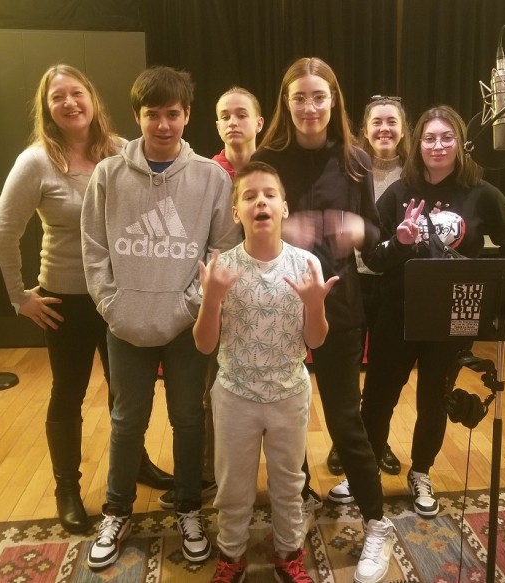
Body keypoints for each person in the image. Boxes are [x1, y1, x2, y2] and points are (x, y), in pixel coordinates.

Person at [0, 64, 172, 536]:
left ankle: (134, 462)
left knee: (126, 392)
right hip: (65, 299)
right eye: (58, 97)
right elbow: (1, 230)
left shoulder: (121, 150)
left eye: (76, 93)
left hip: (119, 295)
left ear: (92, 98)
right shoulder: (36, 162)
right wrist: (18, 297)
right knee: (67, 394)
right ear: (47, 109)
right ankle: (66, 489)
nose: (69, 102)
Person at [81, 66, 241, 569]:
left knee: (189, 418)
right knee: (126, 421)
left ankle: (189, 508)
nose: (164, 124)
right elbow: (93, 247)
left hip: (186, 324)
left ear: (187, 115)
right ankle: (117, 511)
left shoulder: (211, 178)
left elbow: (222, 249)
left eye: (173, 114)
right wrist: (112, 304)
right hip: (125, 322)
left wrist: (190, 305)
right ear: (138, 116)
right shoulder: (108, 175)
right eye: (153, 114)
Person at [252, 57, 394, 583]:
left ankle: (377, 522)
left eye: (319, 97)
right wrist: (282, 230)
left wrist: (358, 228)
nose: (309, 107)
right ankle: (302, 498)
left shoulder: (355, 160)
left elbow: (375, 238)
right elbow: (248, 226)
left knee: (343, 418)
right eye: (299, 98)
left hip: (338, 307)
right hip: (274, 306)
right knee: (283, 416)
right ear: (286, 104)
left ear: (334, 102)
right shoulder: (266, 159)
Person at [357, 105, 505, 518]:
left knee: (434, 399)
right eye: (430, 138)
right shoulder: (397, 193)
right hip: (397, 312)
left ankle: (421, 472)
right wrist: (399, 243)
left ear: (461, 144)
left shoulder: (483, 194)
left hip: (452, 318)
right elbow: (374, 258)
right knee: (378, 398)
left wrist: (485, 284)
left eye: (447, 137)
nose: (438, 145)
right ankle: (365, 472)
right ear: (417, 144)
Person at [199, 161, 336, 583]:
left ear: (284, 208)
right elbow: (204, 344)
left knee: (289, 483)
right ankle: (231, 554)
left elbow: (316, 341)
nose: (261, 201)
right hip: (235, 395)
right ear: (236, 212)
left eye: (269, 194)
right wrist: (212, 300)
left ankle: (288, 553)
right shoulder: (221, 268)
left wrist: (315, 305)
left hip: (288, 395)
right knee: (232, 485)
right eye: (249, 196)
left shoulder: (306, 264)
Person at [158, 86, 264, 513]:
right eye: (225, 115)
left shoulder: (275, 172)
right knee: (212, 390)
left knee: (280, 388)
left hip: (267, 298)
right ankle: (208, 473)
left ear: (258, 122)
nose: (233, 122)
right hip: (217, 299)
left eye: (242, 114)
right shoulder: (202, 173)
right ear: (216, 124)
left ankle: (293, 478)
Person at [326, 94, 411, 477]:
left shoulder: (414, 175)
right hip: (351, 281)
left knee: (384, 373)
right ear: (365, 129)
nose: (384, 129)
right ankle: (343, 442)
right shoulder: (350, 168)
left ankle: (378, 439)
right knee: (346, 372)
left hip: (394, 284)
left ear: (403, 130)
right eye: (377, 122)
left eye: (392, 122)